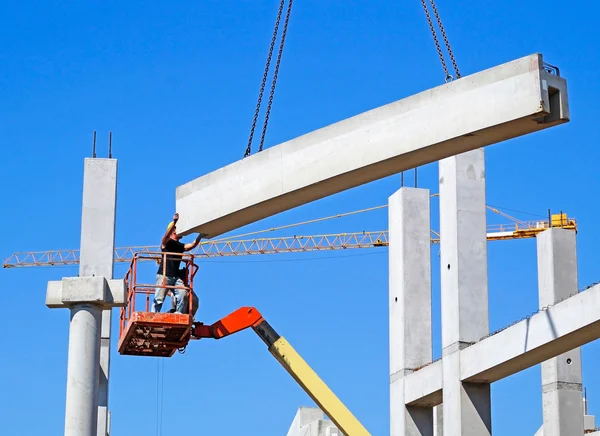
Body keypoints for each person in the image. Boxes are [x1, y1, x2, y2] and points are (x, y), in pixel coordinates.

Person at [151, 212, 201, 316]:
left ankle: (179, 314)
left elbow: (192, 245)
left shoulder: (180, 246)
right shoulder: (167, 242)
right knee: (159, 298)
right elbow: (165, 236)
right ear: (174, 230)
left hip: (175, 277)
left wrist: (201, 235)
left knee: (182, 293)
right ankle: (153, 315)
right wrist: (174, 222)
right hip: (164, 275)